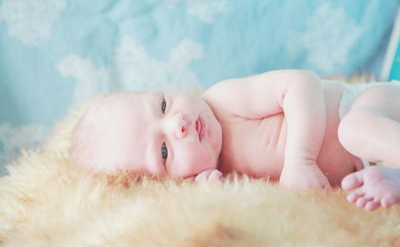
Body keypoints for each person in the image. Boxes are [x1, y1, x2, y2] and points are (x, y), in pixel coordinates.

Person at [71, 69, 400, 211]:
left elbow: (300, 83)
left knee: (354, 130)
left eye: (162, 105)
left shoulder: (223, 101)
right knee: (363, 190)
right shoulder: (215, 179)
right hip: (371, 163)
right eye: (164, 150)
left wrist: (302, 160)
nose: (178, 124)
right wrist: (222, 195)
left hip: (369, 106)